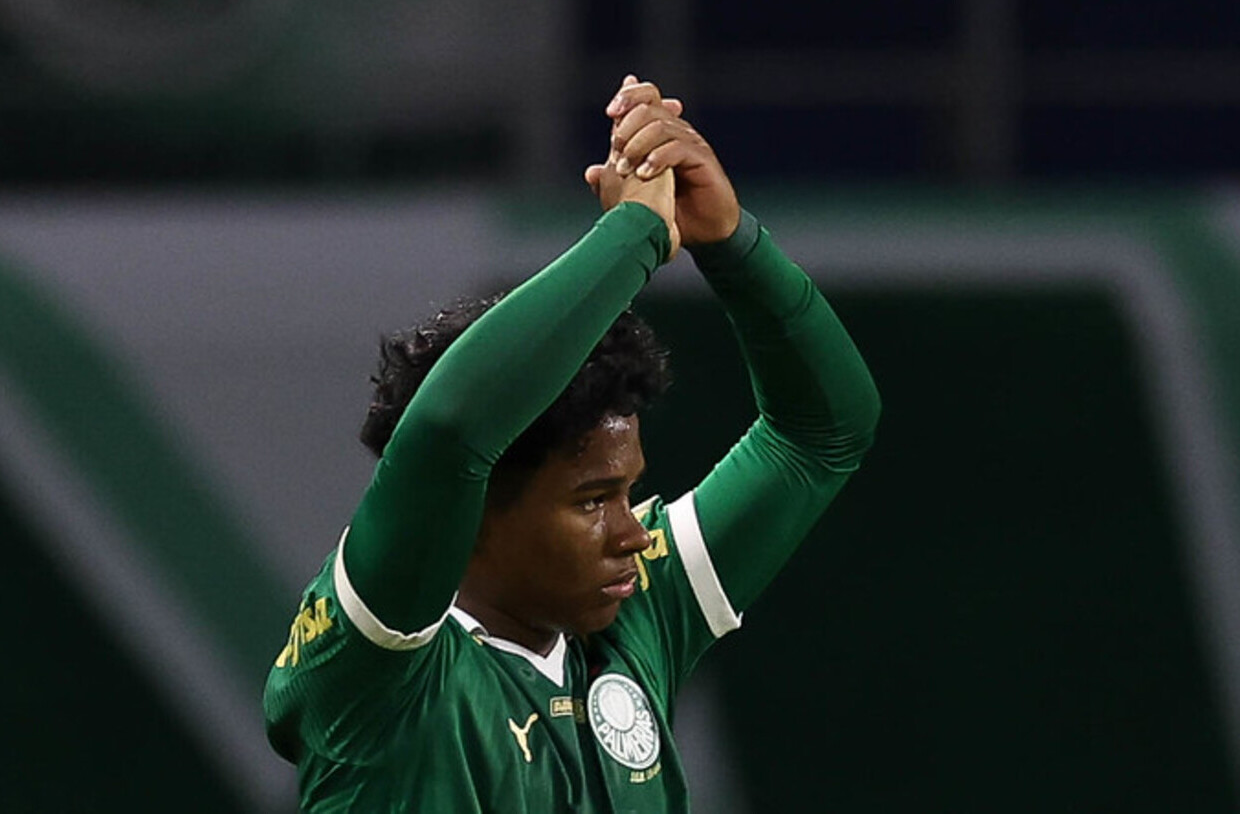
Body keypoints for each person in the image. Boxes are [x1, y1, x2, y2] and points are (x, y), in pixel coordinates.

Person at [263, 75, 881, 812]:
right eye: (593, 500)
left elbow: (824, 431)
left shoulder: (636, 617)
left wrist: (730, 241)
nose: (632, 533)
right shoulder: (379, 662)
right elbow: (448, 432)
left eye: (626, 493)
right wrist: (635, 233)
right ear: (472, 508)